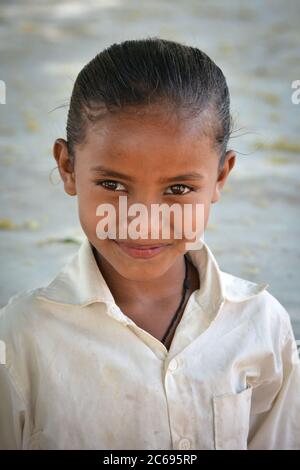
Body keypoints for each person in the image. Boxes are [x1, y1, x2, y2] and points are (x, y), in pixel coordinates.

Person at [0, 37, 299, 450]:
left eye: (178, 188)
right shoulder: (19, 339)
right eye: (112, 184)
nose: (142, 222)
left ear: (221, 177)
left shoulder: (261, 326)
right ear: (67, 167)